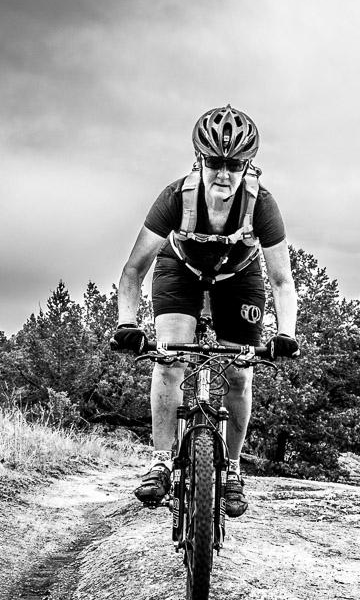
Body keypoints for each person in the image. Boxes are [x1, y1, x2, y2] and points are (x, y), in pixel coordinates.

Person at [112, 104, 299, 515]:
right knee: (170, 359)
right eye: (215, 162)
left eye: (235, 164)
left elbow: (282, 281)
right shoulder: (175, 197)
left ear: (248, 165)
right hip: (181, 270)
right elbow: (133, 269)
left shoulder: (262, 205)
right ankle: (161, 462)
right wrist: (127, 322)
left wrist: (285, 333)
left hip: (240, 279)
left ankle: (232, 469)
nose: (224, 174)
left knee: (239, 373)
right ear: (200, 160)